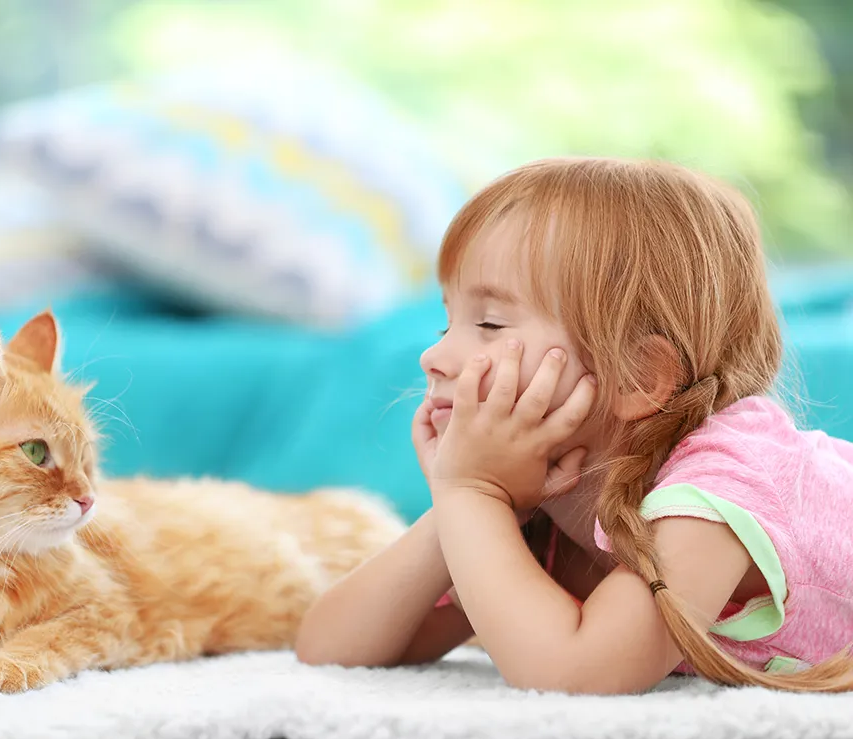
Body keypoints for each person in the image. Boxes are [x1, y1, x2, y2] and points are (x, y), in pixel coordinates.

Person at [296, 157, 853, 694]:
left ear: (638, 376)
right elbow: (332, 650)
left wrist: (472, 493)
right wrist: (466, 501)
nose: (434, 357)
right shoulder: (535, 499)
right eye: (446, 321)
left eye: (488, 322)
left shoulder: (724, 486)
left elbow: (580, 674)